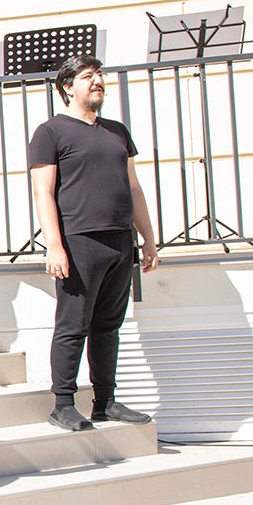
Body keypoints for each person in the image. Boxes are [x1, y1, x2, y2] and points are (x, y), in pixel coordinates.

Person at [29, 54, 159, 432]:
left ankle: (105, 402)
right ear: (68, 87)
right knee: (73, 325)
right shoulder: (51, 132)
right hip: (79, 241)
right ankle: (63, 404)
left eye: (99, 75)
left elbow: (133, 187)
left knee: (108, 327)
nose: (98, 81)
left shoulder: (117, 131)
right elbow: (43, 192)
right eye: (88, 76)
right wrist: (54, 245)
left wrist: (149, 238)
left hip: (120, 240)